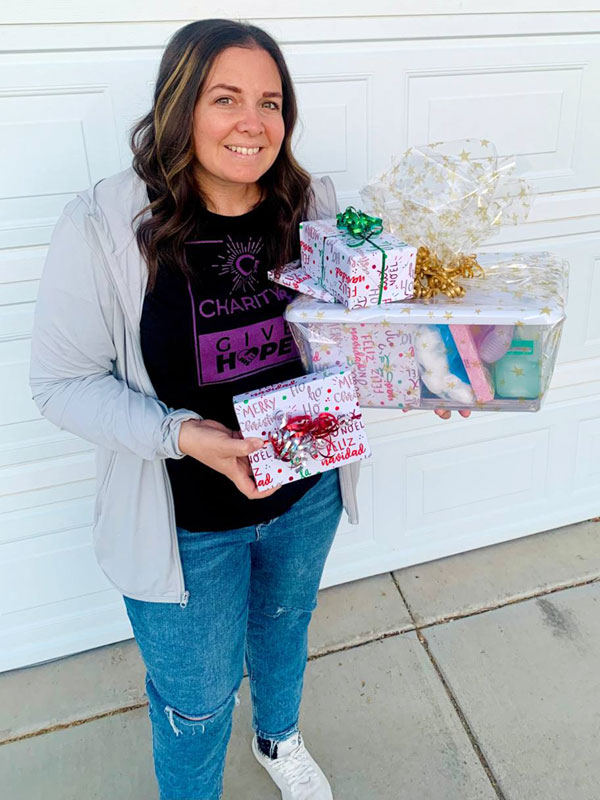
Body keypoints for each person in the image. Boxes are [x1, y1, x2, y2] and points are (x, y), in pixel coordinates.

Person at [29, 18, 469, 800]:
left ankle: (277, 740)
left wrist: (420, 370)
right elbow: (62, 383)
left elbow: (352, 335)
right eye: (224, 97)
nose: (253, 122)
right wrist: (181, 434)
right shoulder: (103, 226)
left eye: (271, 102)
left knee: (282, 632)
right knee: (197, 705)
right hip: (185, 523)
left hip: (307, 494)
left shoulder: (318, 207)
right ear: (179, 108)